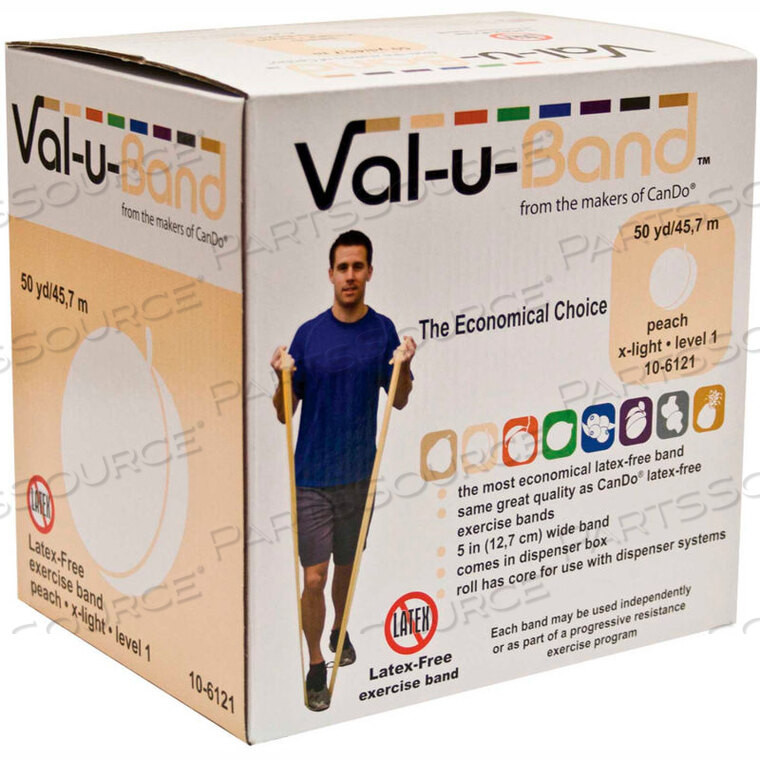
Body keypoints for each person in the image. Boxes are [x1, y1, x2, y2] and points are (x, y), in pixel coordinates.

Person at [271, 230, 415, 711]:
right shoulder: (309, 335)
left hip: (358, 477)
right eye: (342, 268)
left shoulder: (382, 331)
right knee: (313, 578)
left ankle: (339, 628)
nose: (350, 275)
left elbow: (398, 400)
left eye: (358, 267)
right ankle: (316, 662)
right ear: (330, 274)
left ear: (369, 271)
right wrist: (280, 378)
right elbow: (284, 413)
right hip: (312, 478)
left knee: (346, 570)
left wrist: (404, 367)